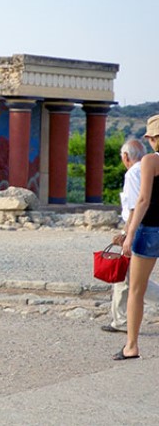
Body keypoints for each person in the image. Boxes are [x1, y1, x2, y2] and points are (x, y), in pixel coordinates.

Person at [102, 139, 159, 333]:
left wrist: (127, 233)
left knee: (132, 280)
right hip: (147, 226)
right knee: (128, 278)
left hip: (145, 227)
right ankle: (119, 319)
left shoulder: (137, 171)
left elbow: (138, 204)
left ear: (125, 156)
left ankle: (124, 328)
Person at [115, 115, 159, 360]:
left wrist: (129, 234)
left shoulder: (150, 161)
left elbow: (142, 200)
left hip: (151, 228)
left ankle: (131, 346)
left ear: (154, 138)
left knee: (136, 290)